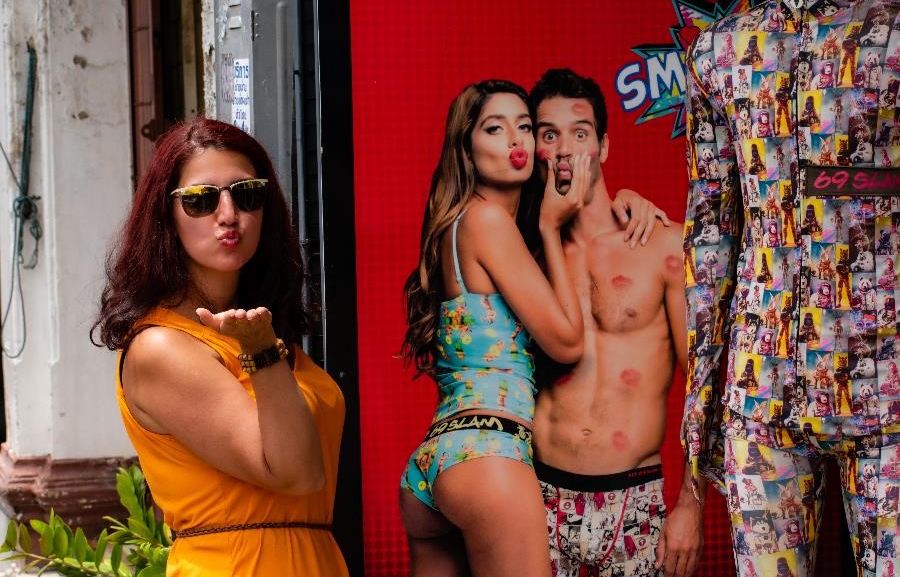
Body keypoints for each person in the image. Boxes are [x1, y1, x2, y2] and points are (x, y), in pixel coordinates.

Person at [399, 80, 664, 575]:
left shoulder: (459, 223)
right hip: (490, 456)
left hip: (435, 464)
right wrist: (547, 223)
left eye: (525, 127)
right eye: (495, 129)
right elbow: (566, 342)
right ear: (467, 147)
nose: (516, 141)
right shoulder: (489, 222)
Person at [682, 0, 900, 576]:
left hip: (887, 391)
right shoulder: (720, 53)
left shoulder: (893, 31)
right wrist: (700, 404)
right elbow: (711, 236)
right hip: (762, 397)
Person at [91, 118, 348, 576]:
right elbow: (295, 472)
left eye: (246, 193)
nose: (228, 215)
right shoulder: (161, 348)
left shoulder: (260, 332)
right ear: (165, 216)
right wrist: (263, 354)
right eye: (201, 200)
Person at [526, 68, 702, 577]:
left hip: (635, 500)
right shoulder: (521, 251)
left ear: (603, 146)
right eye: (547, 134)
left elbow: (703, 386)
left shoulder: (664, 245)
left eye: (579, 133)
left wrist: (691, 504)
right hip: (536, 496)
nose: (563, 149)